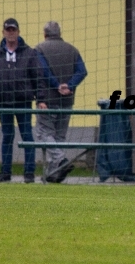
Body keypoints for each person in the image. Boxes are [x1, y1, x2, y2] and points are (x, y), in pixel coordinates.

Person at [0, 18, 45, 183]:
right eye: (8, 30)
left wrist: (41, 99)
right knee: (7, 135)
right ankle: (5, 172)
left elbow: (38, 77)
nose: (11, 33)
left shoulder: (30, 53)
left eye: (13, 30)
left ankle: (29, 173)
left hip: (23, 100)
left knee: (27, 135)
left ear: (18, 32)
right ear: (3, 33)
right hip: (3, 101)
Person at [35, 21, 87, 183]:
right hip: (67, 100)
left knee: (43, 133)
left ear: (45, 34)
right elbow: (82, 71)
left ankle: (61, 160)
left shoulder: (39, 49)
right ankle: (53, 174)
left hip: (48, 99)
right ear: (59, 33)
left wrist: (57, 85)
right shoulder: (72, 50)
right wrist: (69, 85)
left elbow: (43, 71)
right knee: (59, 136)